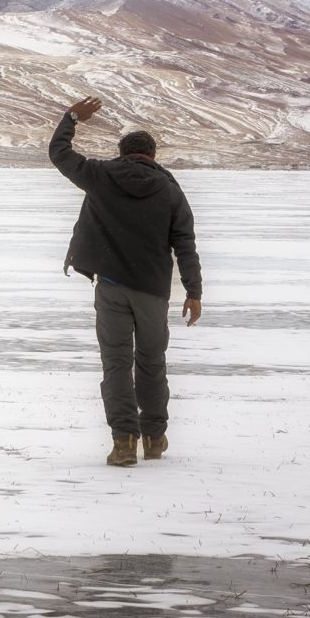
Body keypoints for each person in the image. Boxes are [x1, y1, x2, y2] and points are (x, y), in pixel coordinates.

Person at [49, 96, 202, 468]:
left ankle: (122, 442)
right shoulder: (169, 189)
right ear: (153, 154)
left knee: (116, 364)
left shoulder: (101, 175)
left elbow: (59, 153)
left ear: (122, 152)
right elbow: (184, 242)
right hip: (151, 291)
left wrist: (71, 118)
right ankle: (153, 437)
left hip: (112, 286)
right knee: (151, 363)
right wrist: (193, 292)